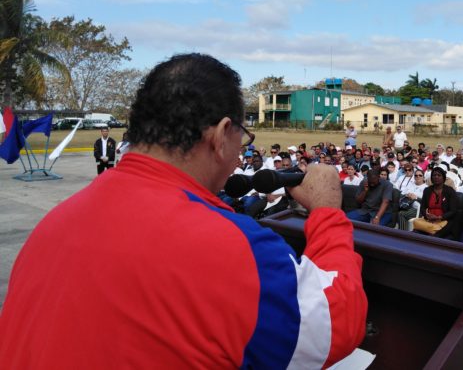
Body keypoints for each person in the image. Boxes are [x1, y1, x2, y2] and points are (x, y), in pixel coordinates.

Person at [0, 54, 367, 368]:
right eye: (242, 136)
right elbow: (336, 322)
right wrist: (327, 212)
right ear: (222, 135)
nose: (241, 151)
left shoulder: (56, 221)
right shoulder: (233, 249)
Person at [411, 166, 459, 239]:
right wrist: (427, 215)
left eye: (439, 175)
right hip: (429, 220)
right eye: (434, 175)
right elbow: (423, 207)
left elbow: (453, 211)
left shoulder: (450, 191)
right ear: (431, 178)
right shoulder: (427, 190)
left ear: (443, 178)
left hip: (444, 221)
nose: (436, 177)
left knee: (433, 236)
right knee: (415, 228)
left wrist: (439, 217)